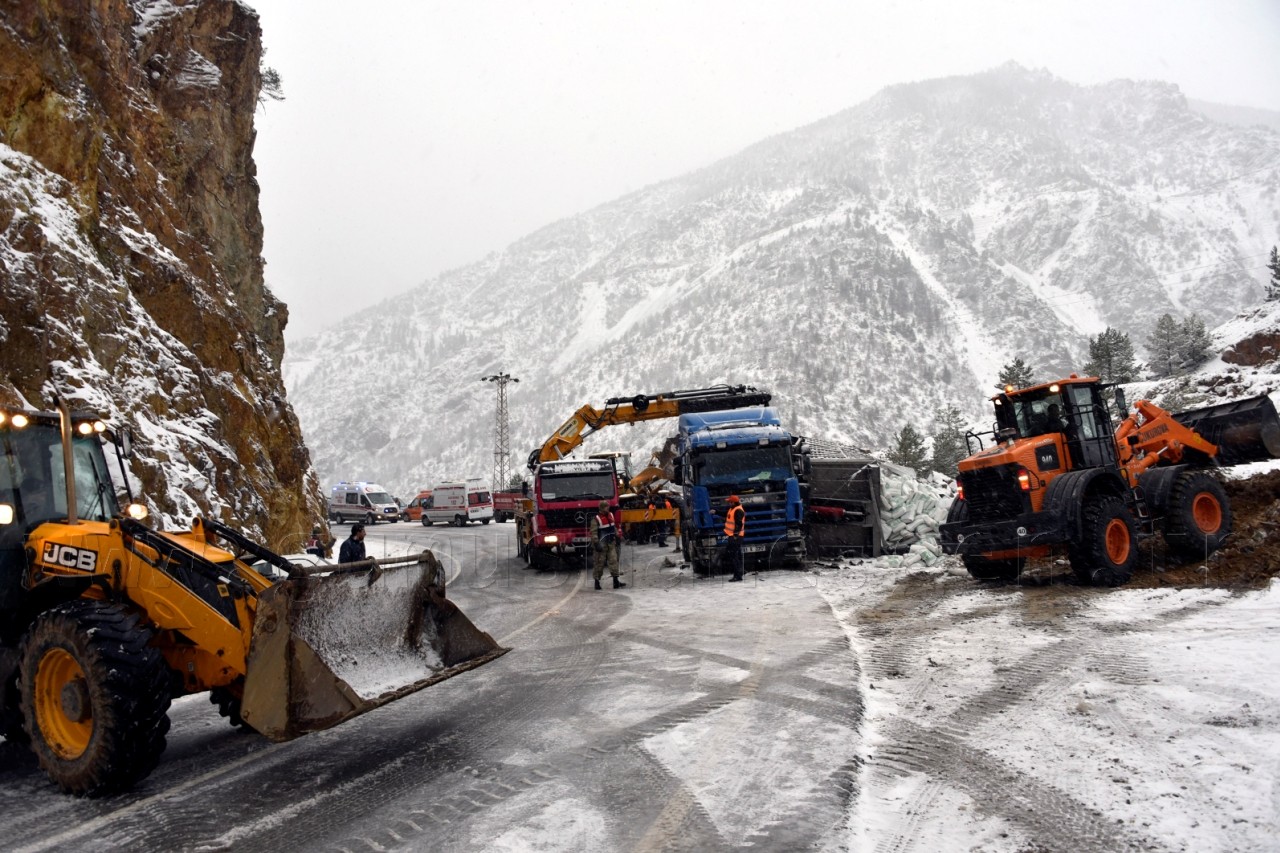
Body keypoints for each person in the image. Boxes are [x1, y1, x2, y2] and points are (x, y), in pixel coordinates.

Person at [589, 499, 625, 590]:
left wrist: (617, 536)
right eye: (606, 506)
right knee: (599, 563)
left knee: (613, 561)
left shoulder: (611, 515)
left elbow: (613, 528)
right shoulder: (596, 519)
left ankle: (616, 582)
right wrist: (596, 543)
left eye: (608, 506)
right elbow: (593, 532)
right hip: (601, 545)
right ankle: (597, 583)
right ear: (601, 508)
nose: (608, 508)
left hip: (611, 543)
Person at [721, 495, 746, 582]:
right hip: (734, 536)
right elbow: (726, 514)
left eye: (730, 502)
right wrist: (716, 512)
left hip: (736, 537)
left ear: (734, 502)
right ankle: (740, 571)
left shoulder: (738, 510)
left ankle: (738, 575)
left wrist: (735, 534)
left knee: (733, 555)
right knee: (734, 555)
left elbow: (739, 524)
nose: (729, 503)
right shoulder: (733, 509)